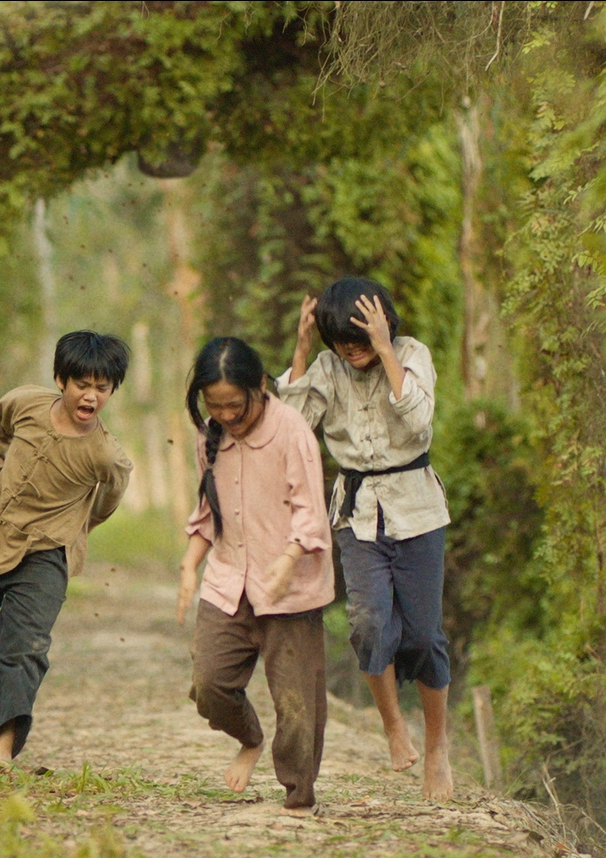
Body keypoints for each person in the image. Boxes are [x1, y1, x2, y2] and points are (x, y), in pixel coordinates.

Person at [279, 276, 456, 801]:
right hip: (356, 513)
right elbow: (292, 425)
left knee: (424, 636)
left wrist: (384, 349)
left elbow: (420, 423)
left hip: (418, 509)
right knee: (369, 623)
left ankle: (438, 748)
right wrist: (304, 348)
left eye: (360, 341)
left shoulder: (412, 353)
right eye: (343, 343)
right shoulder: (328, 367)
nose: (353, 353)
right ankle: (393, 727)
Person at [0, 330, 134, 765]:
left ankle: (2, 749)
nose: (91, 396)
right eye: (83, 384)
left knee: (22, 649)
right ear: (61, 379)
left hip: (47, 553)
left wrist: (75, 528)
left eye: (103, 388)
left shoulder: (105, 455)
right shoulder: (26, 403)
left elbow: (107, 499)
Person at [175, 337, 334, 815]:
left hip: (291, 589)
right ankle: (248, 738)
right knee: (210, 684)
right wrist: (188, 566)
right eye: (214, 406)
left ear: (260, 387)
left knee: (297, 705)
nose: (225, 415)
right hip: (228, 581)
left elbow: (311, 511)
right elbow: (208, 513)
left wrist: (287, 561)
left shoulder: (292, 432)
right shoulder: (211, 437)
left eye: (235, 406)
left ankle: (298, 801)